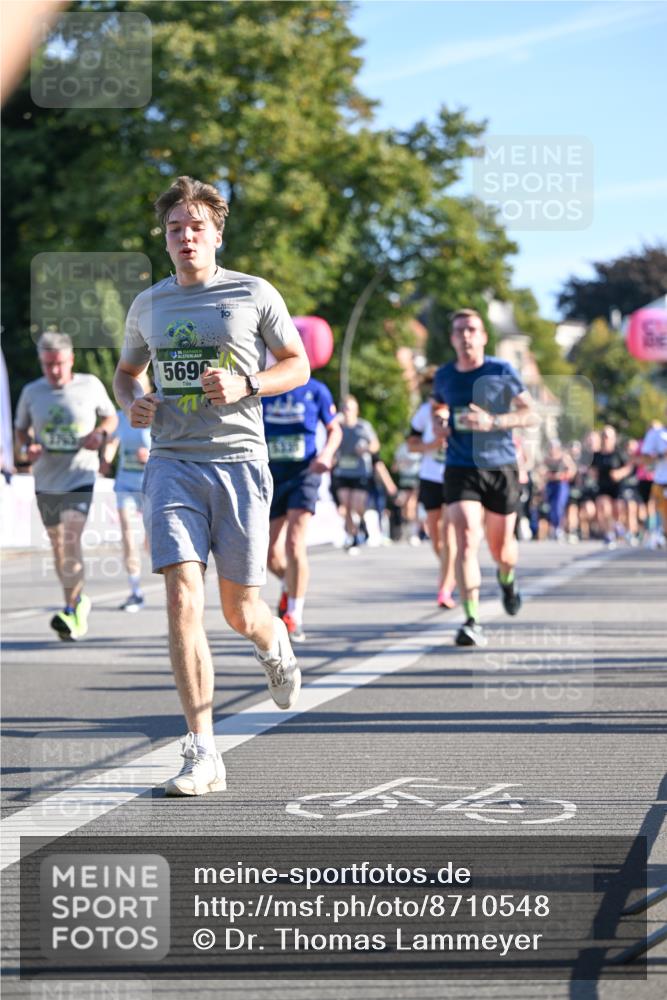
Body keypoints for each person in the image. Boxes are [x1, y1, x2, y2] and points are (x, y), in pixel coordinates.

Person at [113, 175, 310, 797]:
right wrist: (134, 404)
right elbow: (126, 373)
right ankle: (203, 751)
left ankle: (273, 638)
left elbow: (298, 363)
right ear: (165, 239)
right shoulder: (148, 305)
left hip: (240, 462)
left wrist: (248, 384)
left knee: (238, 610)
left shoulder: (253, 293)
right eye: (175, 229)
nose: (186, 236)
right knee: (180, 598)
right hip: (172, 461)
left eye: (196, 226)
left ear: (216, 233)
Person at [433, 308, 539, 647]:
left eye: (472, 330)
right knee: (465, 539)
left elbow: (530, 414)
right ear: (452, 338)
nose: (465, 335)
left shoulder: (501, 370)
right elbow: (438, 405)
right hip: (460, 466)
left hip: (500, 466)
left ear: (483, 336)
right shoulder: (445, 375)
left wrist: (494, 422)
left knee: (502, 550)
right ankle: (471, 620)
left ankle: (507, 579)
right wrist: (439, 420)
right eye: (459, 330)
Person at [14, 332, 117, 639]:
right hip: (46, 479)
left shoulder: (90, 385)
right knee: (59, 547)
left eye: (59, 364)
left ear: (70, 359)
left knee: (71, 537)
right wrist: (28, 447)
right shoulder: (33, 392)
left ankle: (72, 612)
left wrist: (99, 434)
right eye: (47, 365)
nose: (54, 371)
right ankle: (74, 601)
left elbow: (111, 418)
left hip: (80, 476)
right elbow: (21, 430)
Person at [264, 372, 341, 642]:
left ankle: (294, 615)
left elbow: (335, 429)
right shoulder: (265, 387)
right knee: (270, 555)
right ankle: (291, 583)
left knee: (294, 544)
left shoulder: (317, 390)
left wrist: (326, 454)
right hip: (272, 476)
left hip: (305, 473)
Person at [100, 372, 153, 611]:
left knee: (151, 544)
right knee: (128, 535)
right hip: (125, 484)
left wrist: (149, 456)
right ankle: (135, 591)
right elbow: (112, 442)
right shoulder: (122, 417)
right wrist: (105, 460)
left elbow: (170, 447)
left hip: (151, 485)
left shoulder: (157, 416)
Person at [407, 369, 457, 607]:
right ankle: (450, 567)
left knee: (448, 534)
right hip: (430, 477)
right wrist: (431, 444)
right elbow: (411, 445)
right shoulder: (425, 413)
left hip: (454, 477)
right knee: (435, 536)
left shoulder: (460, 409)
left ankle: (444, 589)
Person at [332, 395, 379, 552]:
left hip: (360, 472)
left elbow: (375, 445)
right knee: (346, 505)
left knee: (357, 505)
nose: (347, 411)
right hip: (343, 471)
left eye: (350, 408)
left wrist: (365, 449)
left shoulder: (363, 427)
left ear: (356, 410)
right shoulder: (337, 427)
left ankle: (363, 523)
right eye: (344, 408)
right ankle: (353, 537)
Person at [591, 426, 634, 548]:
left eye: (608, 437)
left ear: (614, 439)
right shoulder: (597, 455)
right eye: (604, 436)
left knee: (617, 511)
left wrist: (620, 473)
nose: (606, 439)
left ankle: (618, 526)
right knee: (604, 507)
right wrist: (592, 473)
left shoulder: (619, 453)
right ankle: (609, 534)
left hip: (617, 487)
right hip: (603, 486)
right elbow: (592, 469)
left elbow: (629, 466)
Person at [641, 415, 667, 547]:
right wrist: (662, 454)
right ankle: (660, 534)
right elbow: (645, 460)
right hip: (662, 482)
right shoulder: (656, 434)